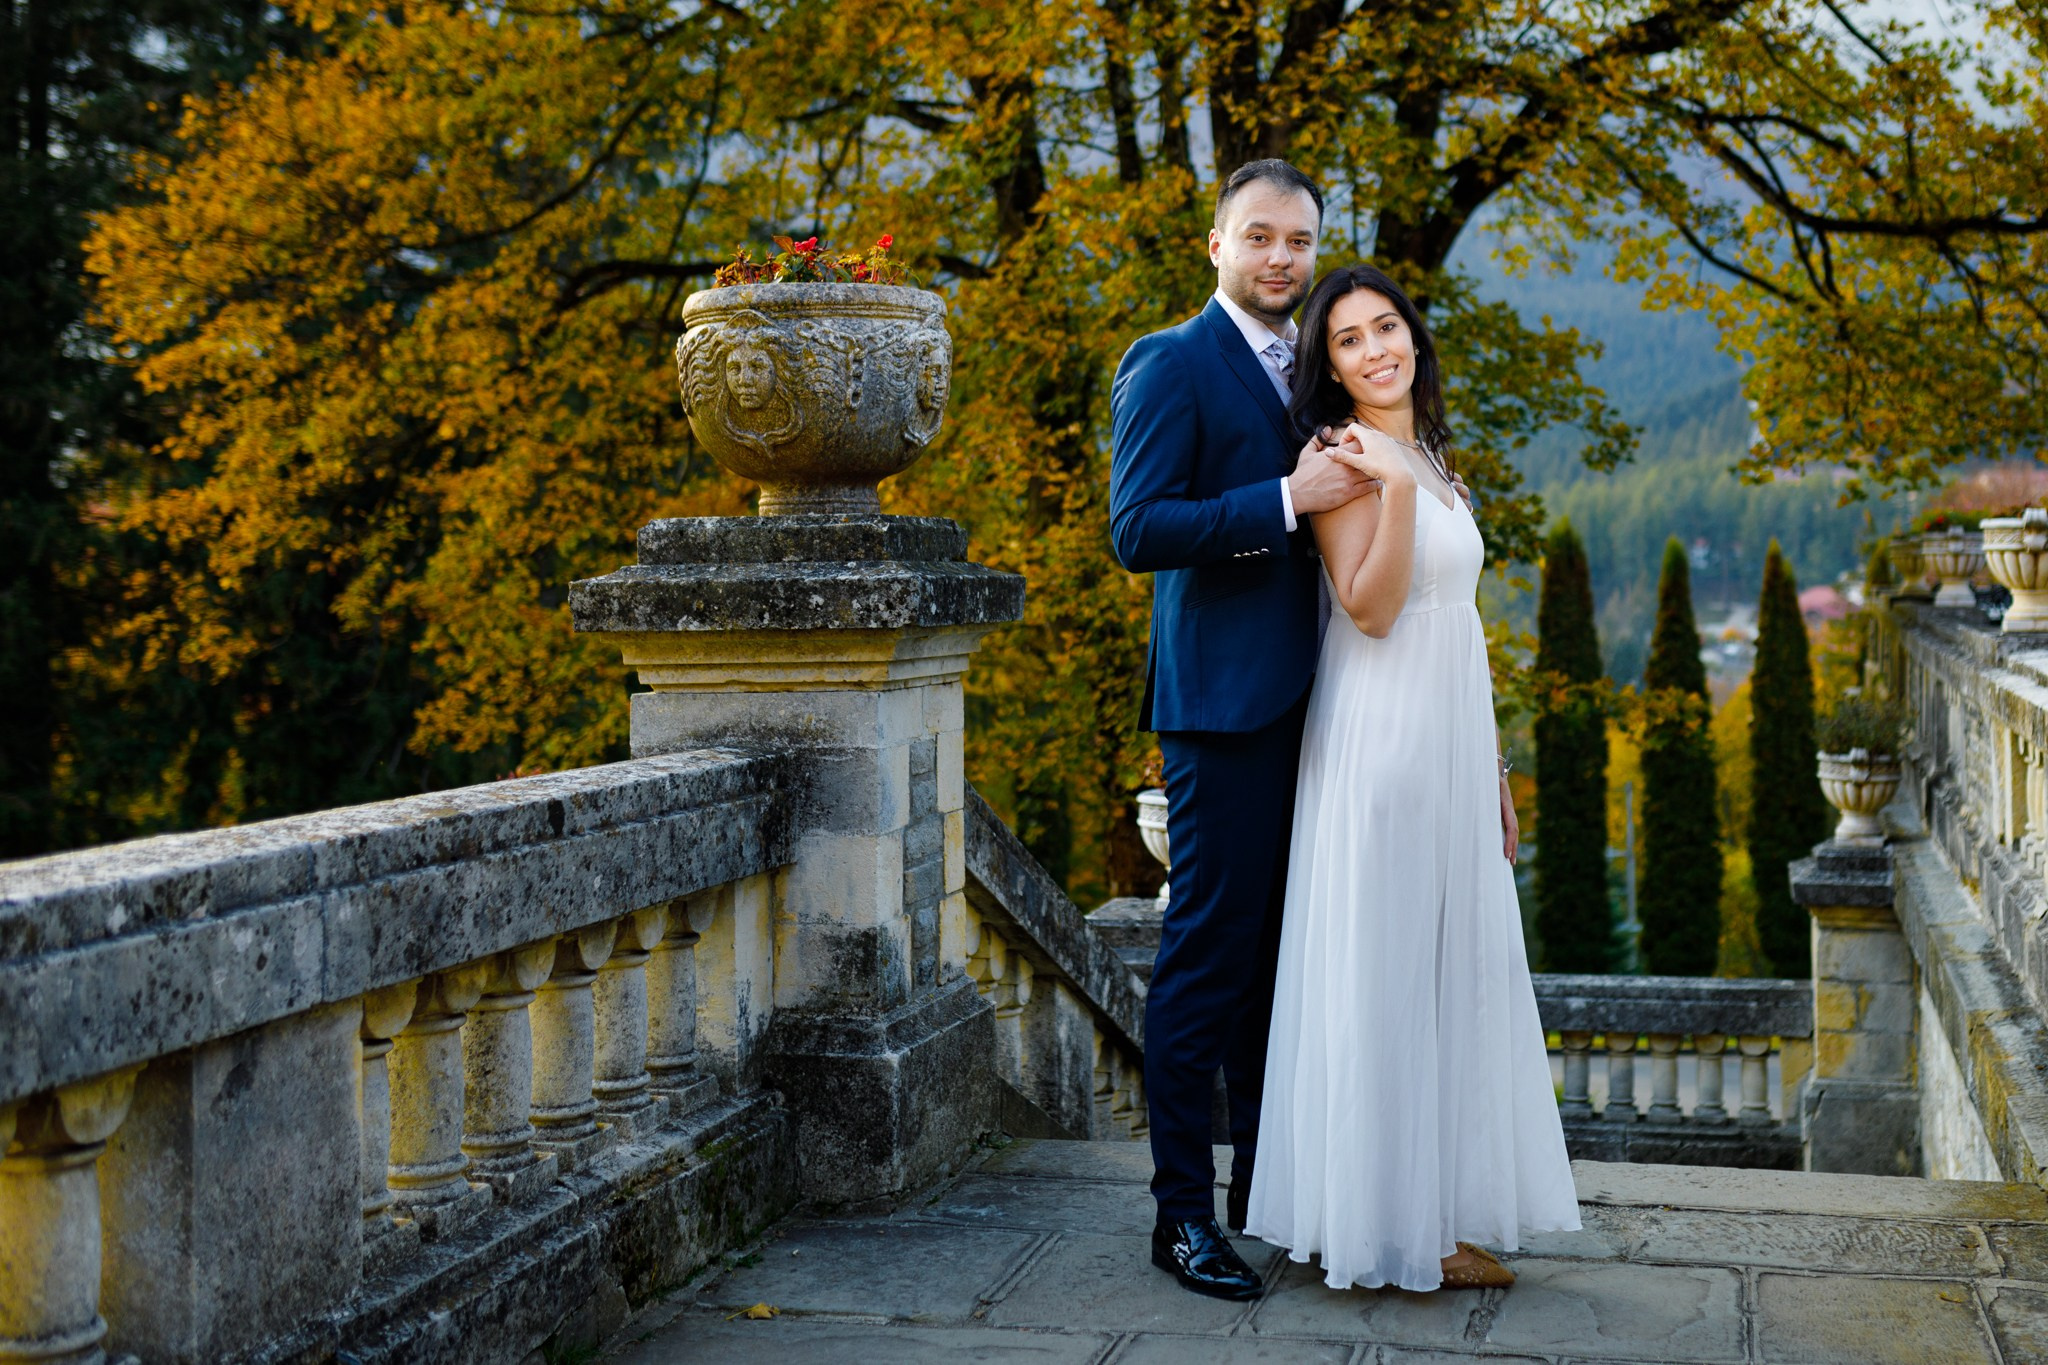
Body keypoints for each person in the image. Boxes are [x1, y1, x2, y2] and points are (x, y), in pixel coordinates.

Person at [1242, 262, 1581, 1292]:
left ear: (1413, 338)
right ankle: (1391, 1230)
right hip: (1382, 741)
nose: (1374, 349)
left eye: (1385, 327)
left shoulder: (1428, 451)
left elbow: (1459, 626)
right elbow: (1373, 608)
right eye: (1347, 340)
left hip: (1449, 739)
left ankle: (1424, 1211)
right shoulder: (1344, 458)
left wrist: (1494, 769)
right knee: (1389, 972)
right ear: (1330, 367)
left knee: (1444, 970)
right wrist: (1387, 486)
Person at [1108, 159, 1383, 1302]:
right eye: (1259, 237)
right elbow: (1136, 528)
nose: (1281, 258)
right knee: (1208, 961)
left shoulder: (1319, 371)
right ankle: (1179, 1218)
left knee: (1287, 963)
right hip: (1221, 712)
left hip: (1325, 705)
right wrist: (1282, 501)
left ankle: (1267, 1196)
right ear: (1215, 244)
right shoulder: (1169, 361)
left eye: (1299, 241)